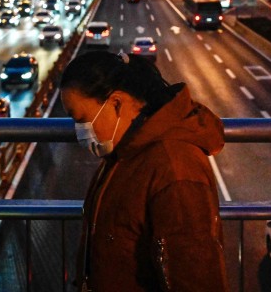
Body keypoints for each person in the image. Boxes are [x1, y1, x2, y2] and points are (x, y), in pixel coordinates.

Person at [60, 50, 228, 291]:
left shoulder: (174, 168)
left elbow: (195, 277)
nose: (79, 130)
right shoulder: (126, 152)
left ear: (116, 103)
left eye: (81, 119)